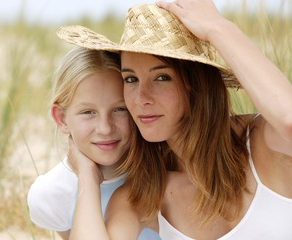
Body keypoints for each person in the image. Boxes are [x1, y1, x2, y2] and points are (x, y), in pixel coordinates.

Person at [57, 1, 292, 239]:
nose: (141, 98)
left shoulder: (264, 144)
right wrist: (87, 175)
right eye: (130, 79)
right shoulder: (143, 195)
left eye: (161, 77)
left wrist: (218, 28)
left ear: (196, 83)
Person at [27, 46, 160, 240]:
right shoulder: (51, 194)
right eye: (88, 112)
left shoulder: (163, 172)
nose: (105, 128)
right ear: (62, 118)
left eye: (119, 109)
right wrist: (87, 177)